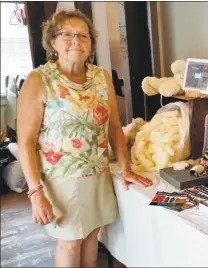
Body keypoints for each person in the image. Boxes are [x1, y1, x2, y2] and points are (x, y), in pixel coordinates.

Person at [16, 9, 153, 267]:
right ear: (53, 42)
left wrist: (126, 168)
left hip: (98, 174)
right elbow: (25, 142)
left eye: (83, 35)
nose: (76, 40)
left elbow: (114, 127)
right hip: (61, 180)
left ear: (91, 43)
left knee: (91, 235)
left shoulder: (101, 77)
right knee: (70, 242)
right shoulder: (39, 80)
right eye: (67, 34)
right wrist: (36, 192)